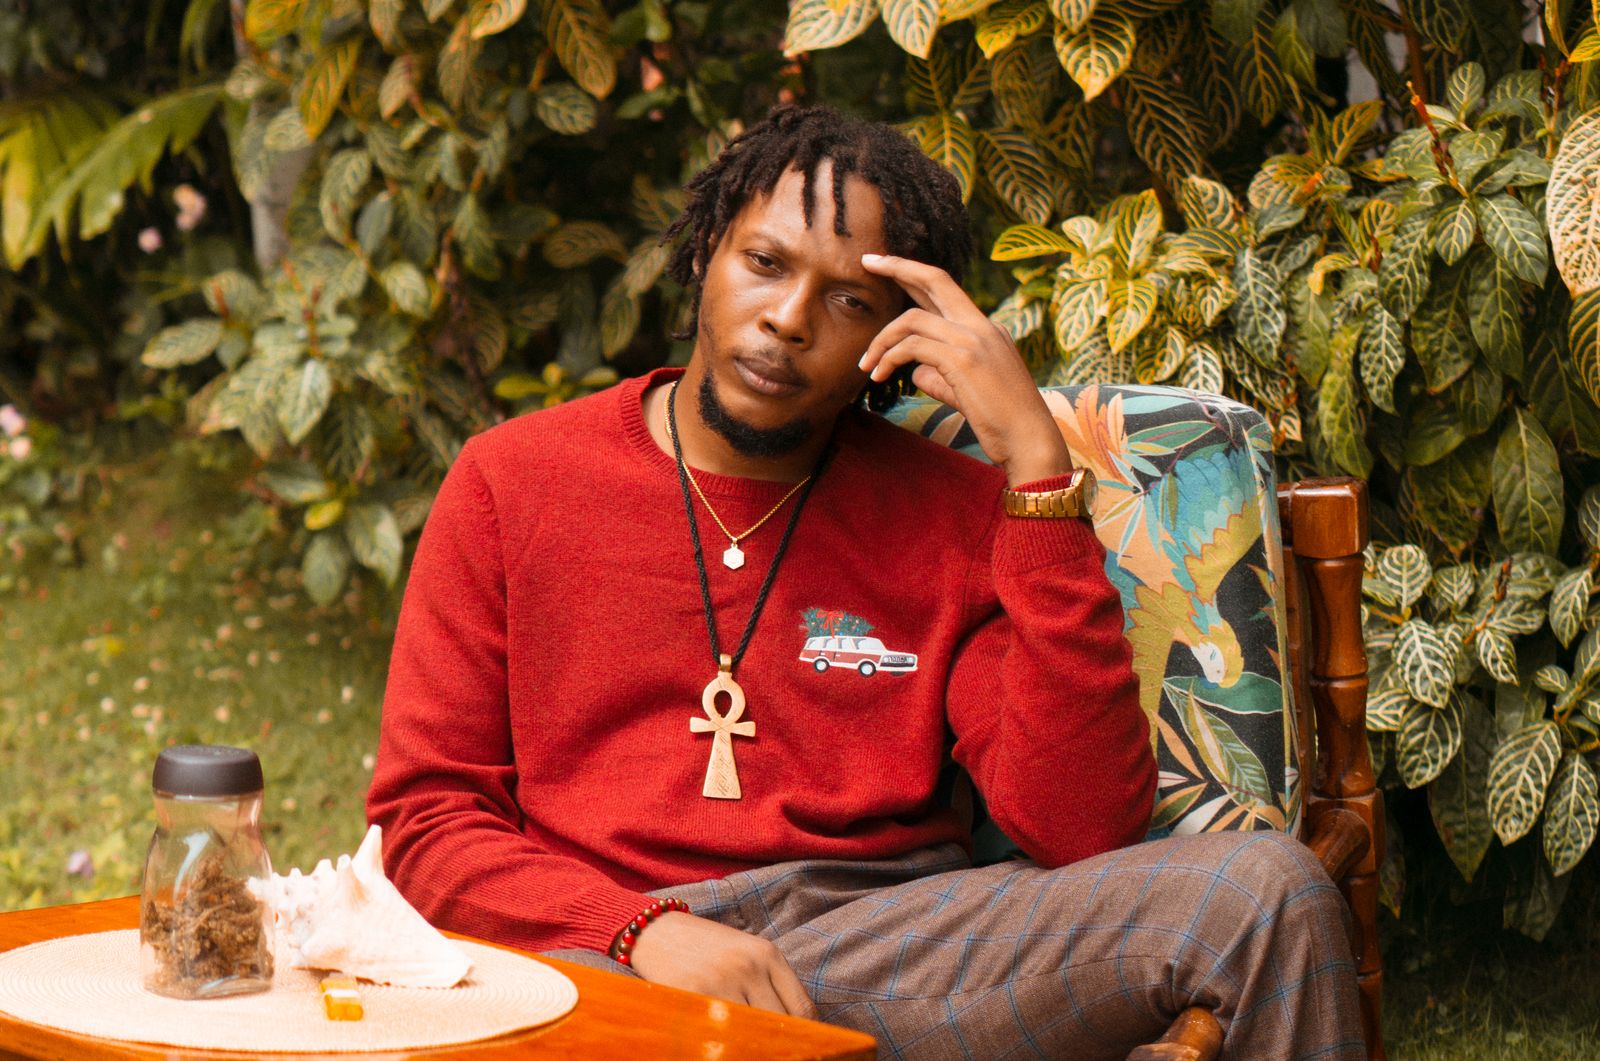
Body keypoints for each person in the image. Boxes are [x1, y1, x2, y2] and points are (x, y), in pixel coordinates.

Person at [366, 104, 1362, 1059]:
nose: (788, 318)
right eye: (764, 263)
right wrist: (639, 929)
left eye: (849, 301)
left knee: (1263, 892)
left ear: (896, 338)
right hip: (611, 955)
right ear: (705, 251)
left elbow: (1080, 826)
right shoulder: (512, 480)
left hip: (884, 947)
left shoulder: (956, 512)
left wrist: (1037, 470)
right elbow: (426, 819)